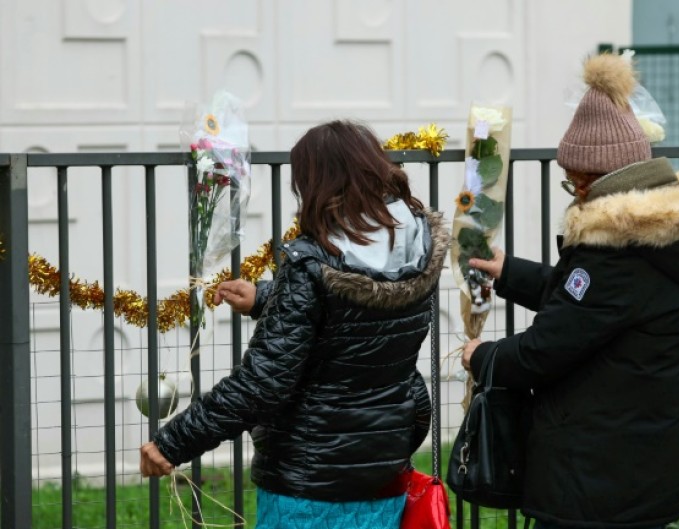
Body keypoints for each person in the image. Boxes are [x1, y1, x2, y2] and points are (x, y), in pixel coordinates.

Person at [461, 53, 679, 529]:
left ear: (594, 180)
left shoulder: (616, 252)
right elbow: (593, 307)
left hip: (597, 482)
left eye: (573, 181)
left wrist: (483, 357)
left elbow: (548, 347)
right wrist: (512, 273)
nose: (572, 192)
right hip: (651, 470)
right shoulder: (677, 236)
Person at [139, 120, 448, 528]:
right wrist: (265, 297)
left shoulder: (312, 262)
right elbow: (356, 320)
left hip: (309, 481)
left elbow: (262, 383)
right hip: (382, 470)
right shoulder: (416, 244)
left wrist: (173, 441)